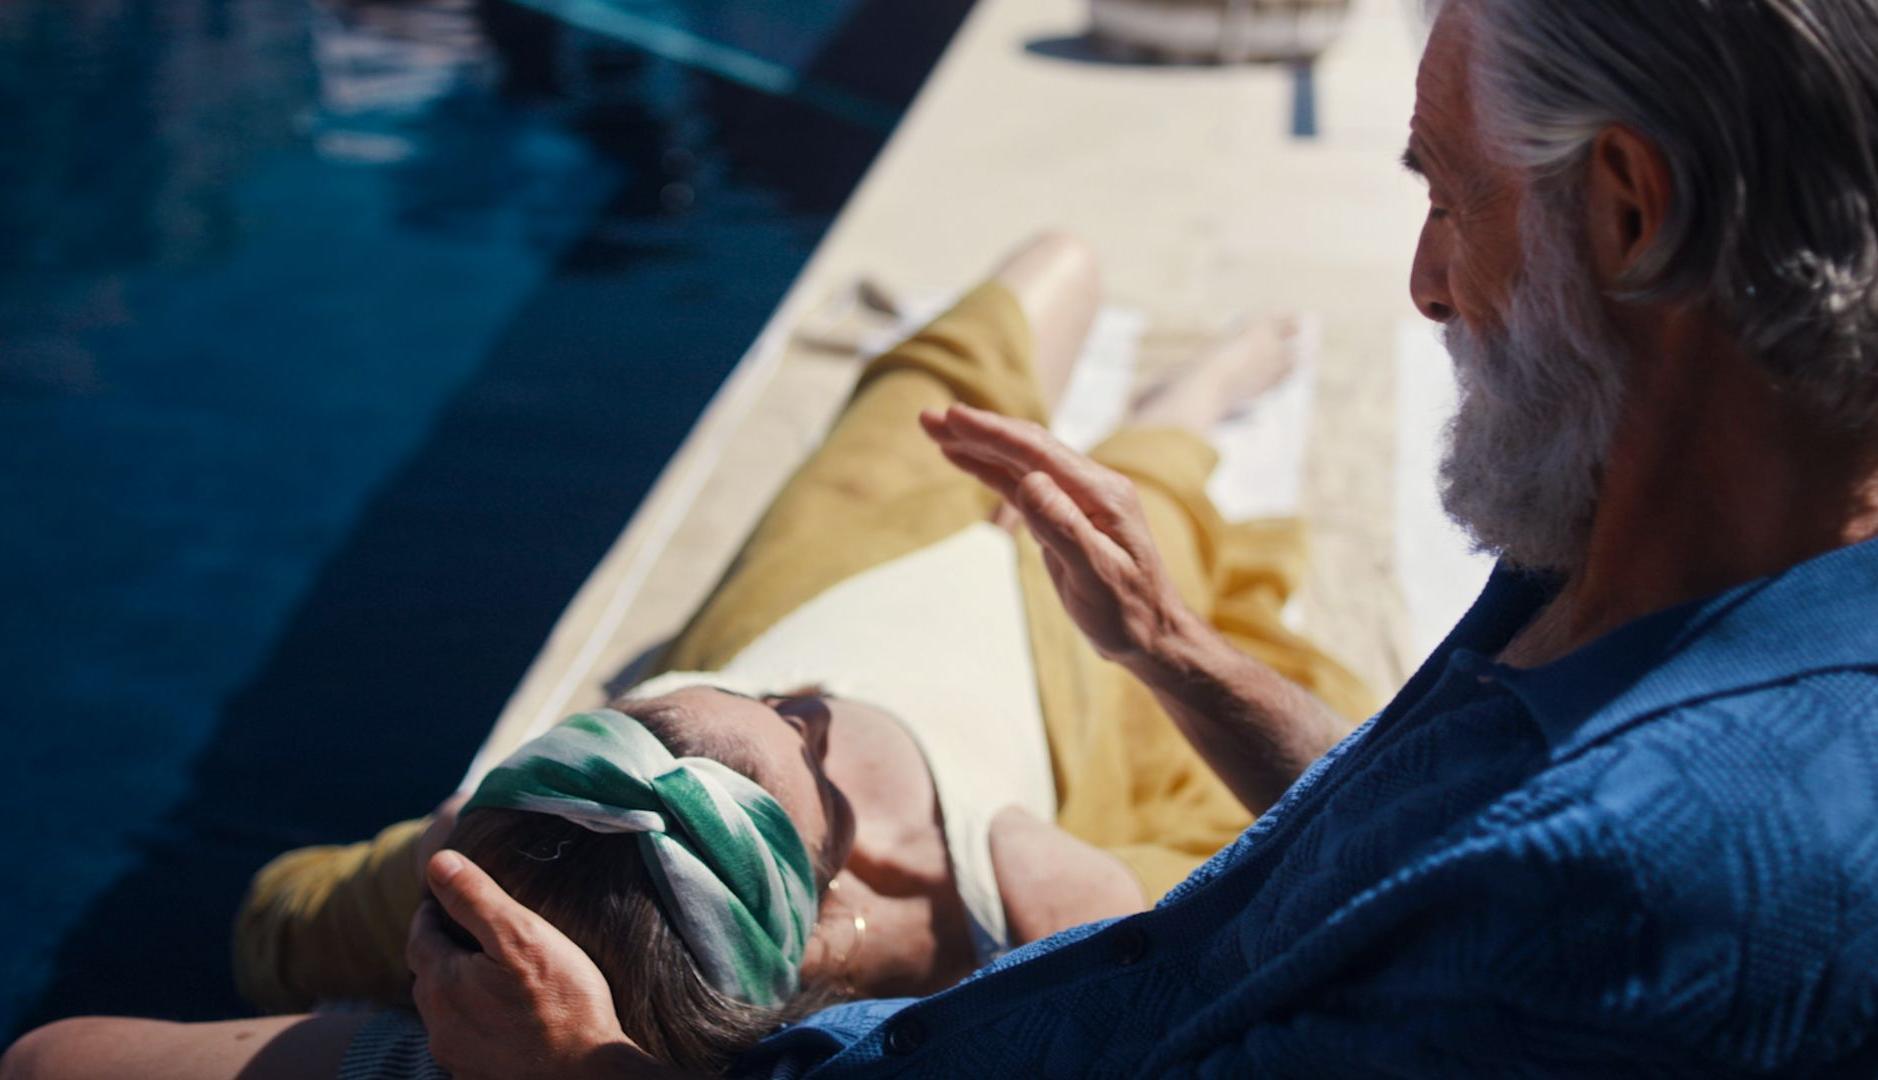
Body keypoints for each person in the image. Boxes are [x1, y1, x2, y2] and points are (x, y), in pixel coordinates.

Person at [346, 0, 1878, 1074]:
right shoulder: (1642, 533)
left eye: (1449, 197)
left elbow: (1507, 895)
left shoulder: (1662, 888)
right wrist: (1181, 659)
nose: (1422, 281)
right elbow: (1421, 857)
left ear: (1624, 212)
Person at [0, 234, 1372, 1077]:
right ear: (830, 891)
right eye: (797, 718)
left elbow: (268, 930)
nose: (814, 700)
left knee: (1042, 277)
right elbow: (1359, 868)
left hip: (834, 565)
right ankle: (1184, 408)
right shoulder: (1044, 907)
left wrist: (419, 878)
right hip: (1077, 673)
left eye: (649, 700)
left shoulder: (488, 868)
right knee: (1148, 484)